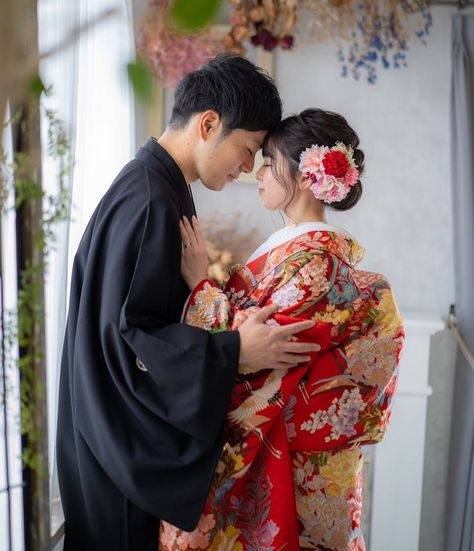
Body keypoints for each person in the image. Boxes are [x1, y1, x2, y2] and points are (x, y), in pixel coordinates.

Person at [56, 54, 320, 551]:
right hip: (117, 453)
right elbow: (129, 336)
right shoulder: (151, 199)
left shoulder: (157, 187)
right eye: (247, 149)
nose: (248, 167)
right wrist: (235, 351)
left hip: (106, 438)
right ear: (208, 124)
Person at [161, 108, 405, 551]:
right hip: (294, 458)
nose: (257, 171)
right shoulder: (295, 250)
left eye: (270, 161)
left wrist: (200, 285)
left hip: (297, 470)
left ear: (308, 174)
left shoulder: (317, 263)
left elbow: (258, 353)